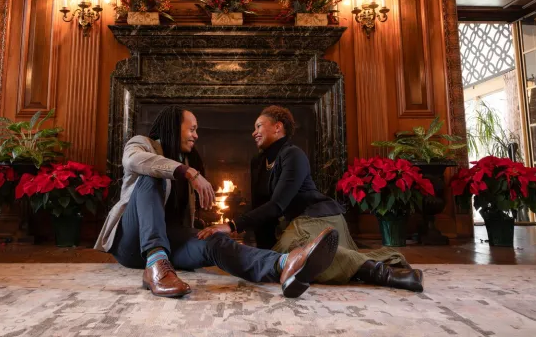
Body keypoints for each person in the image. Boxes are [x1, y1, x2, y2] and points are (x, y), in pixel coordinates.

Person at [95, 105, 340, 299]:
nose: (196, 135)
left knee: (213, 240)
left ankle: (285, 264)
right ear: (173, 126)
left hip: (171, 243)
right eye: (191, 129)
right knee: (153, 176)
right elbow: (134, 161)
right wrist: (188, 173)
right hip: (130, 243)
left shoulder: (189, 161)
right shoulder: (142, 143)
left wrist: (204, 227)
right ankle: (155, 264)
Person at [197, 105, 424, 292]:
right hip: (296, 224)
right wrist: (267, 250)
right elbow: (262, 208)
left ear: (278, 128)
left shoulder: (293, 155)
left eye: (259, 126)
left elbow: (277, 205)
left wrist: (231, 225)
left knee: (296, 253)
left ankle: (387, 273)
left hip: (319, 219)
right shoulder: (258, 163)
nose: (253, 132)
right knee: (283, 257)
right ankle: (375, 267)